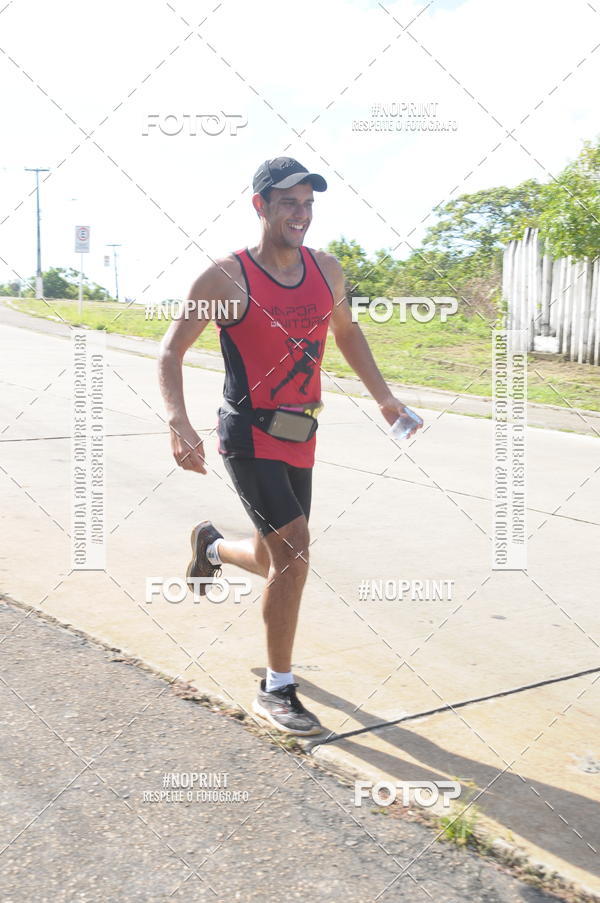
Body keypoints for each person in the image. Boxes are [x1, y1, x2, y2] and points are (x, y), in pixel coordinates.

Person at [158, 156, 423, 736]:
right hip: (247, 432)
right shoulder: (227, 279)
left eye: (308, 204)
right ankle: (277, 688)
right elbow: (171, 351)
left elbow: (348, 333)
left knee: (270, 556)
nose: (300, 215)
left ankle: (210, 547)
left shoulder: (325, 270)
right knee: (296, 552)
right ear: (261, 206)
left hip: (302, 433)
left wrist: (383, 398)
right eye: (288, 203)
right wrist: (179, 420)